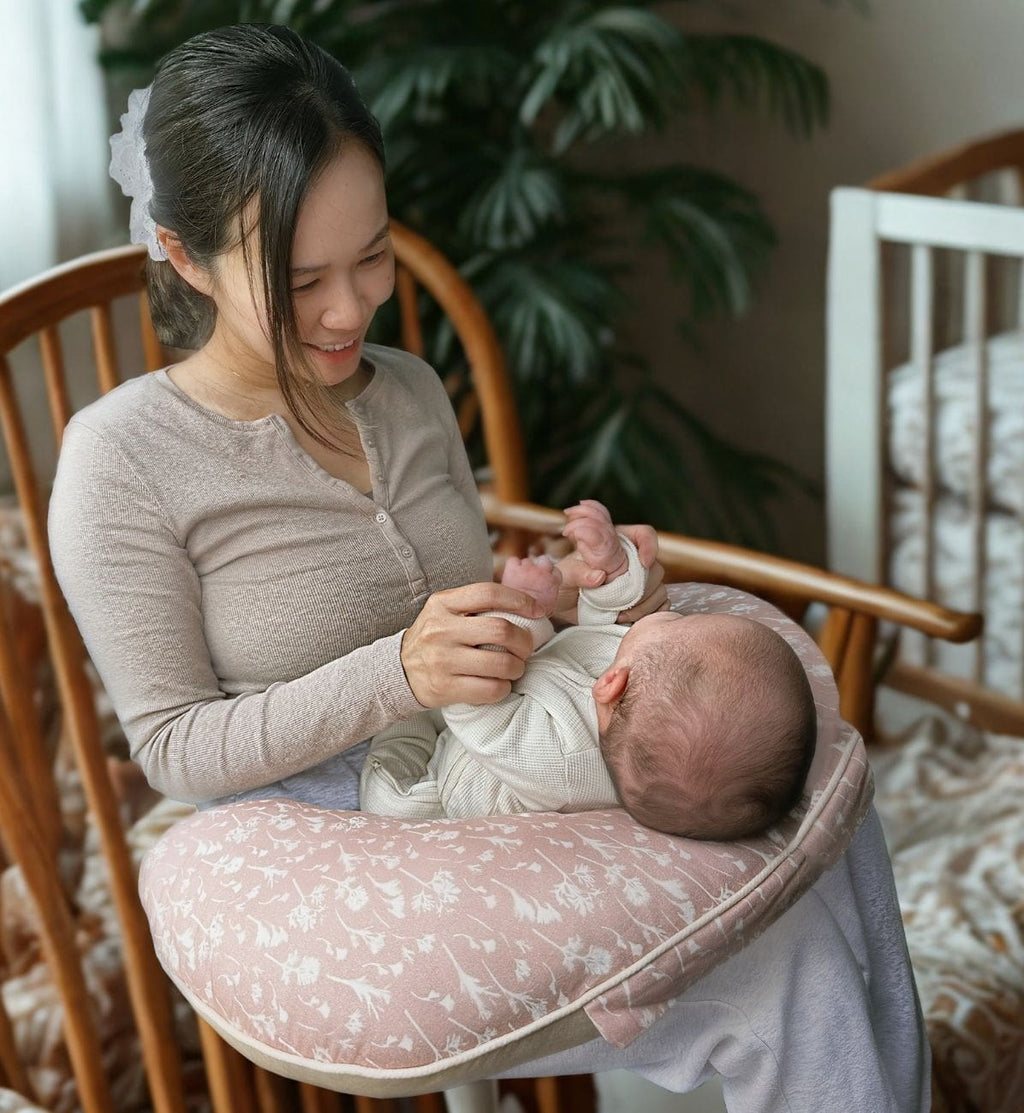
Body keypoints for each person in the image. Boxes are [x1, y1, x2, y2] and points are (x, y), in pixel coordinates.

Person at [47, 24, 929, 1111]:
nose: (348, 310)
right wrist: (399, 675)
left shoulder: (409, 391)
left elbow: (471, 608)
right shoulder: (121, 461)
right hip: (330, 823)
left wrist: (590, 592)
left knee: (823, 815)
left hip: (493, 766)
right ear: (183, 256)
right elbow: (177, 749)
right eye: (300, 279)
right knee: (787, 967)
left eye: (372, 255)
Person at [361, 500, 817, 840]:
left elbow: (476, 706)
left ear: (612, 685)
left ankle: (400, 756)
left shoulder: (562, 763)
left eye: (679, 622)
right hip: (526, 693)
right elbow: (606, 627)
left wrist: (520, 610)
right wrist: (612, 566)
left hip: (461, 767)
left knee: (395, 793)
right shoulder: (636, 697)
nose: (672, 612)